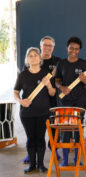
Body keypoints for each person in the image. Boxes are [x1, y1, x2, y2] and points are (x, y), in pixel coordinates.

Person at [14, 47, 56, 173]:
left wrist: (48, 85)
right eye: (30, 55)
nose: (33, 57)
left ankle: (41, 165)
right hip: (27, 113)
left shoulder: (46, 75)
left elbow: (53, 93)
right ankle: (32, 164)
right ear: (27, 59)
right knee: (30, 138)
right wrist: (21, 101)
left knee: (40, 138)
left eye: (35, 55)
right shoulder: (23, 75)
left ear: (40, 58)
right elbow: (15, 92)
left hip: (43, 112)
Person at [22, 36, 62, 164]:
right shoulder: (33, 61)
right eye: (45, 45)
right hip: (35, 102)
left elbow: (61, 80)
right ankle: (31, 153)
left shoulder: (58, 62)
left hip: (52, 100)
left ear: (53, 48)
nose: (47, 48)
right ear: (41, 46)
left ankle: (54, 149)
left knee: (54, 128)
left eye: (50, 45)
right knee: (33, 130)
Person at [55, 36, 86, 166]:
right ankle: (65, 159)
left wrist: (84, 80)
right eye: (71, 48)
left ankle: (77, 159)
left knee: (77, 129)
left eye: (76, 49)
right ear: (67, 48)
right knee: (65, 130)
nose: (73, 51)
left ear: (79, 50)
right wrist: (61, 87)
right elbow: (57, 80)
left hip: (80, 101)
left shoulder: (84, 64)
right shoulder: (61, 63)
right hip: (65, 102)